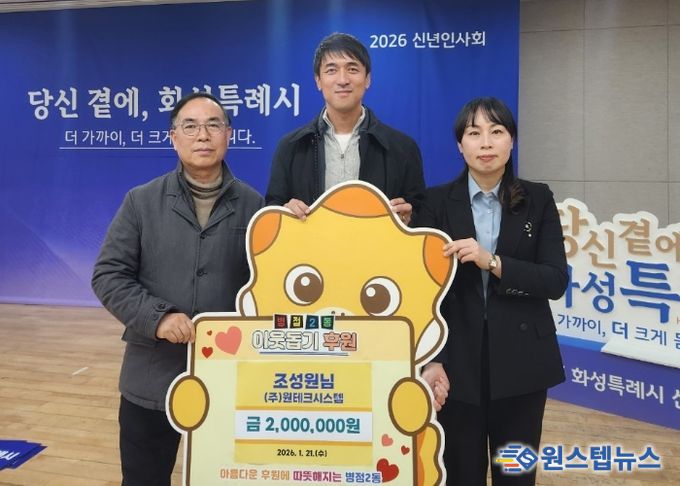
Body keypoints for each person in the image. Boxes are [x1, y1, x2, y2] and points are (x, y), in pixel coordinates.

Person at [91, 92, 263, 486]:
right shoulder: (141, 201)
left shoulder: (254, 205)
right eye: (190, 126)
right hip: (152, 373)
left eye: (213, 125)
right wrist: (158, 318)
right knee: (145, 479)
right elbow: (108, 274)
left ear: (229, 134)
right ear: (173, 137)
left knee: (225, 477)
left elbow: (264, 286)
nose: (202, 135)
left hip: (227, 374)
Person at [415, 97, 568, 485]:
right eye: (474, 133)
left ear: (511, 141)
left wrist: (493, 262)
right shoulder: (433, 203)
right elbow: (424, 293)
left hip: (522, 365)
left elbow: (554, 280)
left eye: (496, 131)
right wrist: (433, 360)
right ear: (459, 145)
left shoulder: (538, 198)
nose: (485, 143)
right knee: (459, 475)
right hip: (455, 368)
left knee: (515, 475)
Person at [265, 32, 425, 223]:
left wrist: (409, 218)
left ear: (367, 79)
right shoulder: (291, 146)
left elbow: (421, 215)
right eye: (331, 70)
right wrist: (284, 212)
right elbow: (272, 211)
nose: (342, 80)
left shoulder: (402, 148)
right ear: (318, 81)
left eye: (352, 69)